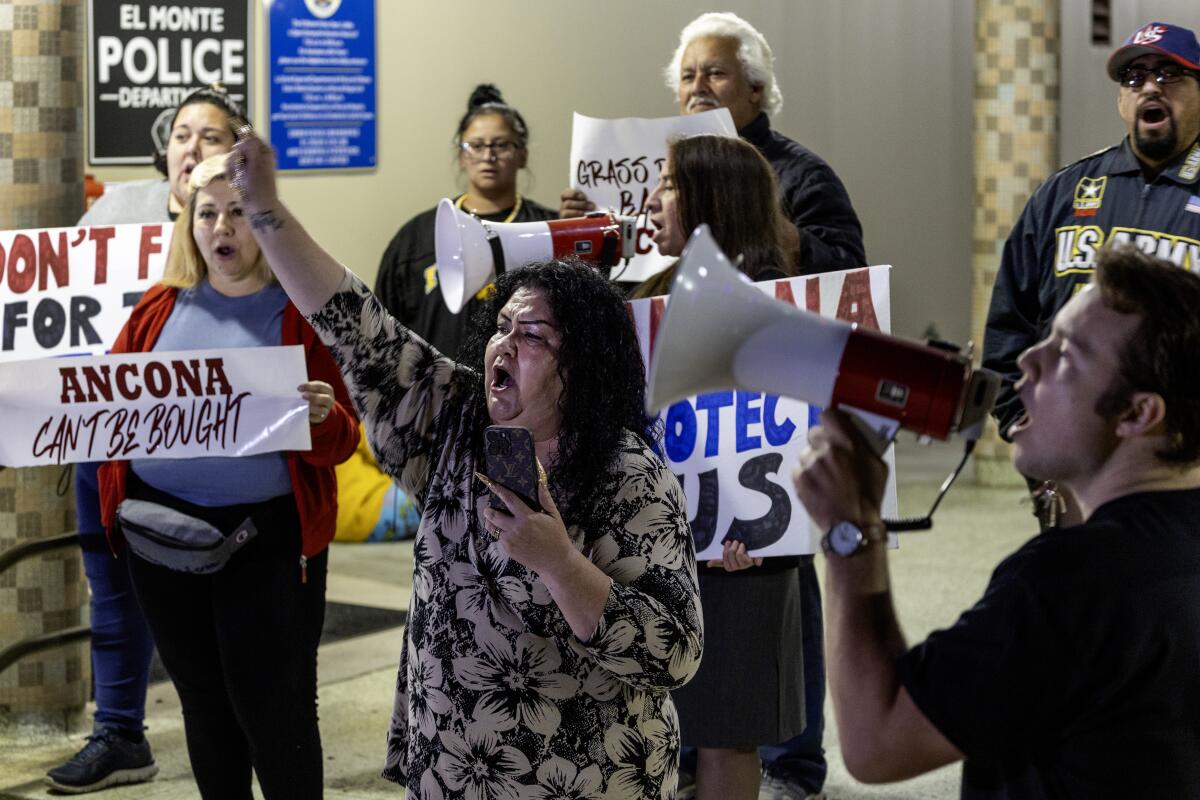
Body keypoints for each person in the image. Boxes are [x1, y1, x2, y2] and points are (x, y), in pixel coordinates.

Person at [227, 130, 704, 798]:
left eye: (533, 335)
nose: (504, 344)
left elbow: (675, 652)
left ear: (583, 366)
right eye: (501, 328)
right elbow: (353, 320)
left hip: (584, 779)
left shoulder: (629, 475)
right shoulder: (453, 426)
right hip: (452, 774)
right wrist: (266, 213)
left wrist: (561, 564)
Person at [796, 245, 1200, 796]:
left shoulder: (1067, 583)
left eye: (1066, 355)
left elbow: (877, 743)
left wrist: (852, 532)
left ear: (1137, 413)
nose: (1027, 362)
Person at [95, 152, 358, 799]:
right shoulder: (157, 308)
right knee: (204, 707)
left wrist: (323, 416)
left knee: (275, 711)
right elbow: (107, 407)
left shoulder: (302, 307)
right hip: (161, 541)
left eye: (238, 212)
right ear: (189, 225)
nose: (222, 228)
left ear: (266, 221)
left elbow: (346, 437)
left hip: (265, 546)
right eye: (206, 213)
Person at [47, 84, 248, 794]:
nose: (193, 147)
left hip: (197, 452)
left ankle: (233, 734)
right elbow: (63, 313)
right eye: (182, 135)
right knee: (110, 590)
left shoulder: (244, 222)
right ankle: (120, 734)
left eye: (211, 136)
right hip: (104, 440)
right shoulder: (116, 211)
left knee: (209, 600)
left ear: (238, 151)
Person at [636, 134, 801, 800]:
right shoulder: (648, 292)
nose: (653, 198)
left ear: (711, 200)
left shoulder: (784, 301)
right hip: (656, 552)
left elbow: (806, 434)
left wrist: (766, 535)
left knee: (727, 730)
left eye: (670, 184)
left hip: (744, 557)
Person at [983, 21, 1200, 524]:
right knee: (1076, 600)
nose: (1149, 86)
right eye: (1134, 77)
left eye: (1170, 74)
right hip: (1074, 476)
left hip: (1186, 480)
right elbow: (1009, 328)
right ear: (1121, 99)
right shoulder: (1064, 194)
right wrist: (1033, 446)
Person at [561, 11, 865, 278]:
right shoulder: (658, 164)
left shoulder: (805, 176)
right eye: (687, 76)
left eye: (715, 73)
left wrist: (770, 228)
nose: (697, 88)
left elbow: (850, 275)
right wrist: (585, 236)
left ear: (756, 88)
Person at [375, 83, 557, 360]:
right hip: (435, 392)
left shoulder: (547, 228)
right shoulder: (416, 237)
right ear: (461, 155)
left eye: (502, 145)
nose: (488, 156)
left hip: (527, 393)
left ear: (523, 155)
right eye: (476, 146)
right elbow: (384, 332)